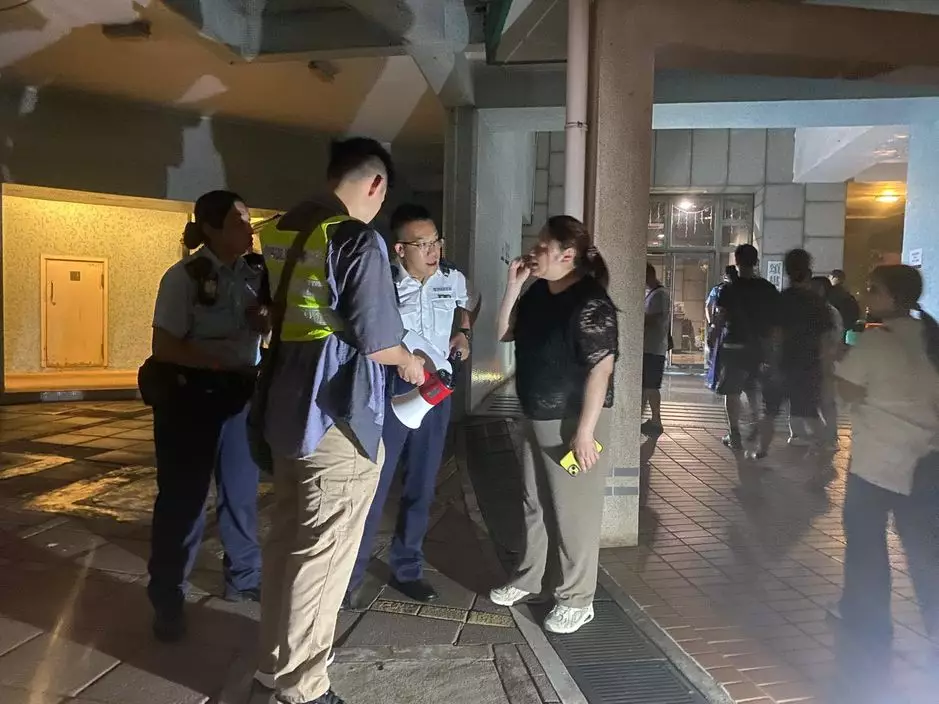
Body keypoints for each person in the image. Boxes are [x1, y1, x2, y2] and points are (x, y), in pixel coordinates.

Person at [254, 138, 425, 704]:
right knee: (324, 553)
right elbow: (378, 341)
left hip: (286, 406)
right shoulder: (354, 237)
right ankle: (303, 686)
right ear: (375, 183)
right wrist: (411, 362)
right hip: (336, 413)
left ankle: (273, 666)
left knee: (287, 542)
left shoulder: (282, 229)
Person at [143, 190, 268, 642]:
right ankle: (168, 597)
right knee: (184, 500)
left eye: (249, 219)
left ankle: (245, 579)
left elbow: (264, 328)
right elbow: (165, 346)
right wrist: (220, 363)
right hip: (190, 399)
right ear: (211, 228)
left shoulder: (256, 274)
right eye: (238, 221)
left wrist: (264, 321)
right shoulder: (184, 277)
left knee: (241, 493)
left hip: (240, 396)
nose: (249, 229)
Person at [488, 216, 617, 635]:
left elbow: (601, 369)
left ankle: (577, 599)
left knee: (573, 512)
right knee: (536, 502)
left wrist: (585, 432)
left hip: (573, 420)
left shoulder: (590, 301)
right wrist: (514, 286)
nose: (534, 250)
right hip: (537, 414)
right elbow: (504, 333)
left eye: (543, 245)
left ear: (567, 255)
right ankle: (529, 578)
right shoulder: (539, 292)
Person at [345, 203, 479, 607]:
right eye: (423, 244)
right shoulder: (381, 281)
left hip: (436, 391)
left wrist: (464, 333)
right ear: (400, 249)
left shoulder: (452, 276)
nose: (433, 251)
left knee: (422, 484)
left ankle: (407, 568)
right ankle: (350, 576)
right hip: (391, 388)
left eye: (436, 242)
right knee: (375, 483)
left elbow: (467, 303)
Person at [834, 265, 939, 692]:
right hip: (926, 464)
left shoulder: (876, 341)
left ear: (894, 297)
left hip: (876, 464)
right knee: (925, 554)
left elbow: (846, 389)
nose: (866, 293)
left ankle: (868, 622)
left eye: (873, 289)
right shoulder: (931, 336)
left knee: (866, 547)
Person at [748, 249, 831, 460]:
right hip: (809, 366)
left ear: (787, 272)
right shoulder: (818, 303)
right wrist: (825, 370)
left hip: (783, 365)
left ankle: (762, 450)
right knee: (809, 412)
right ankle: (824, 446)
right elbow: (825, 341)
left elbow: (774, 336)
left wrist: (772, 364)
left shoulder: (781, 300)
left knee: (770, 411)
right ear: (809, 272)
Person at [711, 244, 779, 449]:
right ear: (756, 262)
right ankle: (756, 421)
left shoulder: (728, 289)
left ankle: (734, 434)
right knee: (752, 388)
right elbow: (775, 323)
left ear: (737, 261)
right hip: (758, 346)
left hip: (734, 345)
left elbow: (720, 317)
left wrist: (713, 337)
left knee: (732, 391)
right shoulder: (768, 289)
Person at [811, 275, 844, 448]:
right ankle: (823, 435)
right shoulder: (810, 309)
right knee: (813, 400)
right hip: (810, 361)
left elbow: (836, 336)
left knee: (826, 400)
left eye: (816, 288)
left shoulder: (831, 312)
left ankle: (830, 435)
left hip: (824, 362)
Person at [641, 263, 669, 437]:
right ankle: (652, 419)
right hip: (651, 346)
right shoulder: (653, 293)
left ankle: (656, 419)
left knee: (651, 385)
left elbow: (653, 318)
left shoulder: (659, 294)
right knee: (647, 385)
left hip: (654, 347)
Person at [705, 266, 738, 390]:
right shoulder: (743, 289)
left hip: (722, 327)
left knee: (717, 354)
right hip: (738, 330)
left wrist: (712, 324)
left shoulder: (720, 289)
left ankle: (715, 380)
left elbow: (710, 306)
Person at [828, 268, 861, 337]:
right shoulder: (847, 293)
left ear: (833, 277)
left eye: (829, 277)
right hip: (846, 327)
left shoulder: (831, 292)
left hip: (833, 327)